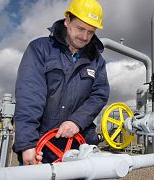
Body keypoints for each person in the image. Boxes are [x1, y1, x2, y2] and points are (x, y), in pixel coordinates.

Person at [13, 0, 109, 165]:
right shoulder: (40, 49)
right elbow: (30, 96)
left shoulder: (97, 61)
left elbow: (99, 95)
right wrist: (27, 143)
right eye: (80, 28)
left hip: (81, 146)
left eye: (91, 32)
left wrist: (76, 121)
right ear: (67, 20)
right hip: (42, 147)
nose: (85, 37)